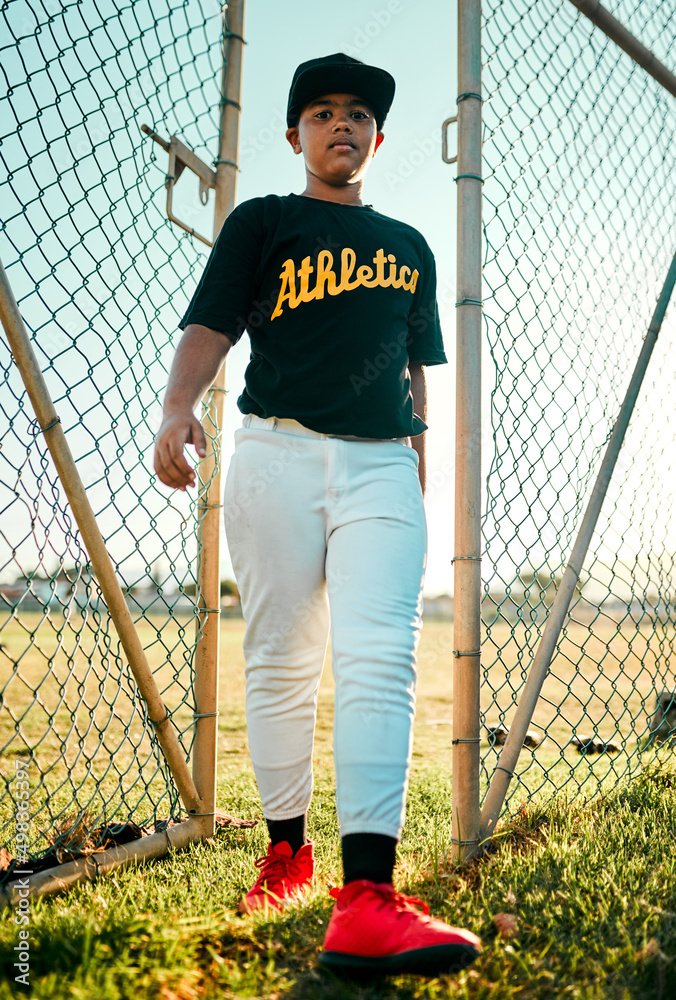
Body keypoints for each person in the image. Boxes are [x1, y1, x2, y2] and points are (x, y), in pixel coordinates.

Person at [154, 52, 481, 979]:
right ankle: (287, 853)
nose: (341, 124)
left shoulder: (410, 245)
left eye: (358, 115)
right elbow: (213, 324)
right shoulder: (264, 222)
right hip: (276, 453)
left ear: (378, 138)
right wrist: (179, 406)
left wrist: (417, 454)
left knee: (381, 656)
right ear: (296, 134)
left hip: (381, 463)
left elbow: (416, 364)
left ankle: (368, 896)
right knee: (281, 655)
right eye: (322, 112)